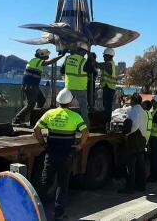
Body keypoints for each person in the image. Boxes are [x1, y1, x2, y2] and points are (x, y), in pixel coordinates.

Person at [34, 88, 89, 221]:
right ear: (70, 102)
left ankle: (35, 211)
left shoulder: (50, 113)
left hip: (51, 154)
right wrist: (80, 146)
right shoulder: (75, 116)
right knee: (62, 185)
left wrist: (42, 144)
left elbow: (36, 129)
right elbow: (86, 132)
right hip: (66, 156)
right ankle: (59, 214)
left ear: (58, 101)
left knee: (45, 183)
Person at [13, 48, 63, 124]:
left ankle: (34, 117)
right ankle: (17, 119)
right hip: (30, 86)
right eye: (46, 55)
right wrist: (61, 56)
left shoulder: (34, 60)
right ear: (41, 55)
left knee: (41, 100)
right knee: (31, 104)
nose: (47, 57)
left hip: (32, 85)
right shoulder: (37, 61)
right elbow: (50, 61)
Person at [119, 93, 148, 194]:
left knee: (130, 165)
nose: (130, 101)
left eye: (131, 100)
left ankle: (129, 188)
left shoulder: (135, 110)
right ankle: (141, 185)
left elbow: (134, 125)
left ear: (134, 101)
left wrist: (126, 134)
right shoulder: (143, 111)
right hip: (142, 139)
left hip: (134, 139)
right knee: (140, 164)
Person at [61, 44, 95, 123]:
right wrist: (90, 57)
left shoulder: (67, 58)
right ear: (83, 52)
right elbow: (91, 70)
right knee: (83, 108)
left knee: (65, 106)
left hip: (68, 87)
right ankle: (85, 126)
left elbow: (62, 71)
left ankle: (64, 122)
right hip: (80, 88)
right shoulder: (83, 61)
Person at [98, 48, 117, 122]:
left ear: (109, 56)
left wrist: (91, 58)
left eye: (104, 55)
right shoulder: (108, 63)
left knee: (107, 107)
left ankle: (107, 123)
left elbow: (98, 65)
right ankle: (106, 122)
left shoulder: (109, 64)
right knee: (106, 106)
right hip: (107, 87)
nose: (103, 57)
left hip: (109, 88)